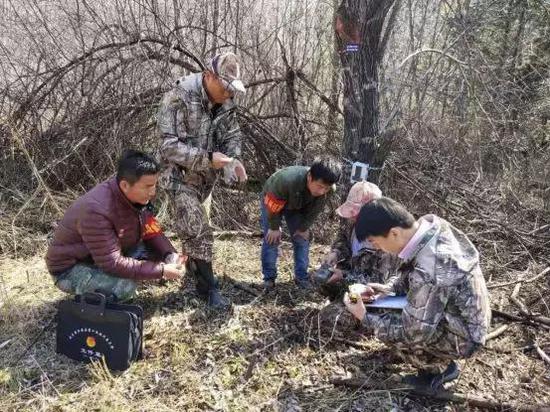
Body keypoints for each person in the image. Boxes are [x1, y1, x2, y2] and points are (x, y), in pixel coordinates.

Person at [343, 197, 491, 392]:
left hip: (466, 336)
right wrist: (384, 290)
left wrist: (363, 316)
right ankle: (434, 358)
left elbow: (413, 333)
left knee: (398, 333)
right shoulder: (427, 229)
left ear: (394, 233)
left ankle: (438, 369)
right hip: (460, 314)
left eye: (376, 242)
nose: (377, 248)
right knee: (392, 317)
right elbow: (412, 277)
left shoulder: (432, 266)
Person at [156, 52, 247, 309]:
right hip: (177, 176)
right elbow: (168, 146)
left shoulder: (227, 101)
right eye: (225, 87)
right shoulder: (179, 97)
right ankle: (209, 289)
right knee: (198, 229)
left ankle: (191, 274)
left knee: (193, 230)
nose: (229, 94)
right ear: (209, 76)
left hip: (205, 180)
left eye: (232, 89)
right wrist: (208, 158)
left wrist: (234, 161)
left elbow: (232, 135)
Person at [46, 151, 185, 302]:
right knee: (124, 287)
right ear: (125, 185)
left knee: (158, 251)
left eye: (155, 185)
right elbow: (112, 263)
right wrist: (161, 270)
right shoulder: (96, 210)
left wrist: (170, 255)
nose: (153, 192)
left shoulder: (136, 196)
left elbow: (151, 229)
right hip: (71, 268)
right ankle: (91, 302)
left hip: (102, 255)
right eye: (148, 186)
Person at [261, 158, 341, 291]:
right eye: (320, 186)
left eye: (326, 188)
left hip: (298, 206)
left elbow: (316, 209)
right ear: (310, 177)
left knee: (302, 239)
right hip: (273, 200)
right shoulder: (285, 181)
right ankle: (269, 279)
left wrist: (304, 227)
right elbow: (272, 206)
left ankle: (301, 277)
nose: (322, 191)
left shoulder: (330, 189)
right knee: (271, 240)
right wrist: (274, 227)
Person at [313, 181, 399, 300]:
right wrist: (335, 253)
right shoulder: (353, 223)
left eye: (357, 213)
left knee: (331, 315)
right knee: (322, 282)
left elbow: (377, 283)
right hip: (349, 276)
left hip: (367, 292)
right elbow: (343, 238)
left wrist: (343, 276)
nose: (352, 217)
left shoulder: (385, 240)